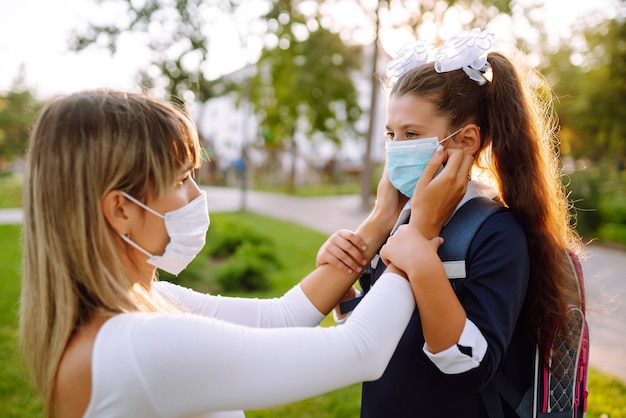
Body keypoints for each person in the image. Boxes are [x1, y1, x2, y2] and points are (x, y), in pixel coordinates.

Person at [18, 89, 472, 418]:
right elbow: (360, 351)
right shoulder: (138, 345)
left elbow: (280, 317)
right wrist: (420, 232)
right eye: (180, 181)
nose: (197, 194)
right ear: (120, 209)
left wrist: (378, 221)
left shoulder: (140, 308)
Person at [317, 28, 582, 417]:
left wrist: (422, 261)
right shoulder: (399, 219)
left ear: (466, 140)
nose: (396, 148)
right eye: (391, 134)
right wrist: (352, 261)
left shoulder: (497, 233)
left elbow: (471, 367)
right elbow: (371, 332)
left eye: (412, 134)